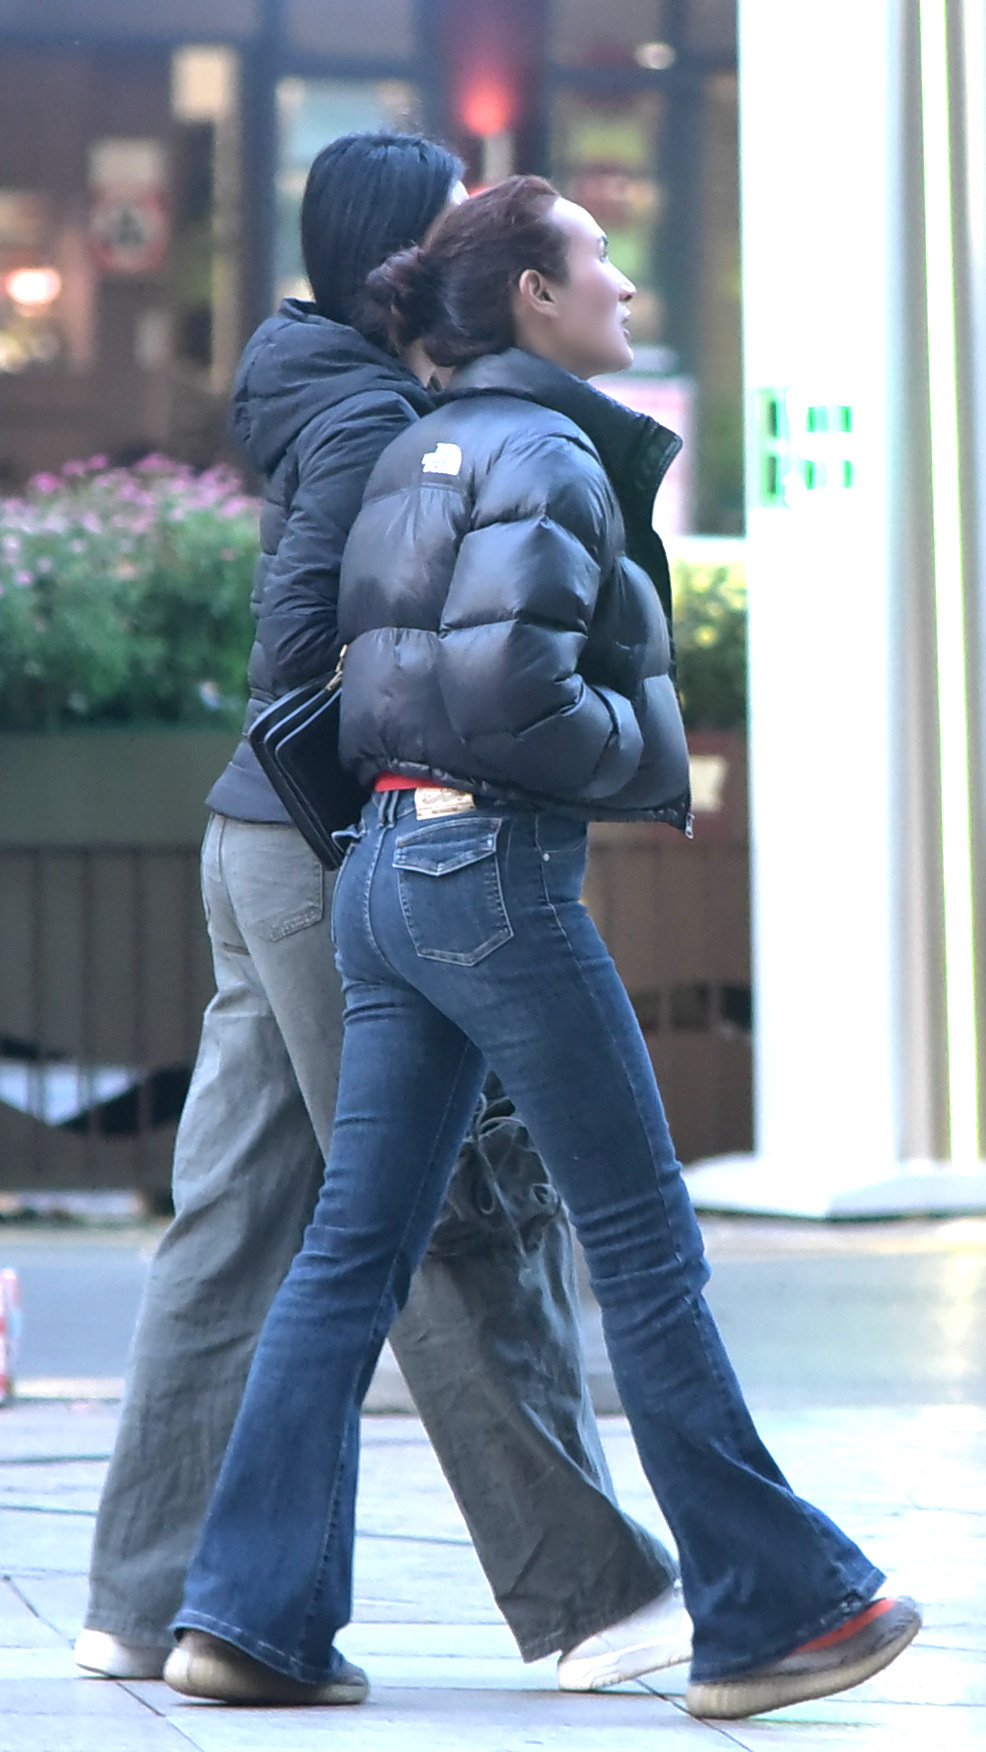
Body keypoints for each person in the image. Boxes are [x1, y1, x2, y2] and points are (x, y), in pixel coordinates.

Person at [163, 176, 920, 1720]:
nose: (625, 285)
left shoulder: (416, 446)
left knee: (350, 1256)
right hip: (489, 876)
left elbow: (370, 678)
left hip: (381, 867)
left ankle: (246, 1617)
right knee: (642, 1240)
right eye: (598, 259)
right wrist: (644, 755)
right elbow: (514, 692)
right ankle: (771, 1611)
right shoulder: (546, 449)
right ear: (531, 293)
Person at [74, 137, 689, 1696]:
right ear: (396, 262)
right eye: (452, 224)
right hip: (327, 846)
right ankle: (595, 1598)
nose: (472, 247)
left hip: (258, 839)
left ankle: (152, 1598)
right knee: (448, 1221)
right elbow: (316, 654)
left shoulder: (335, 392)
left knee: (238, 1226)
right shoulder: (375, 422)